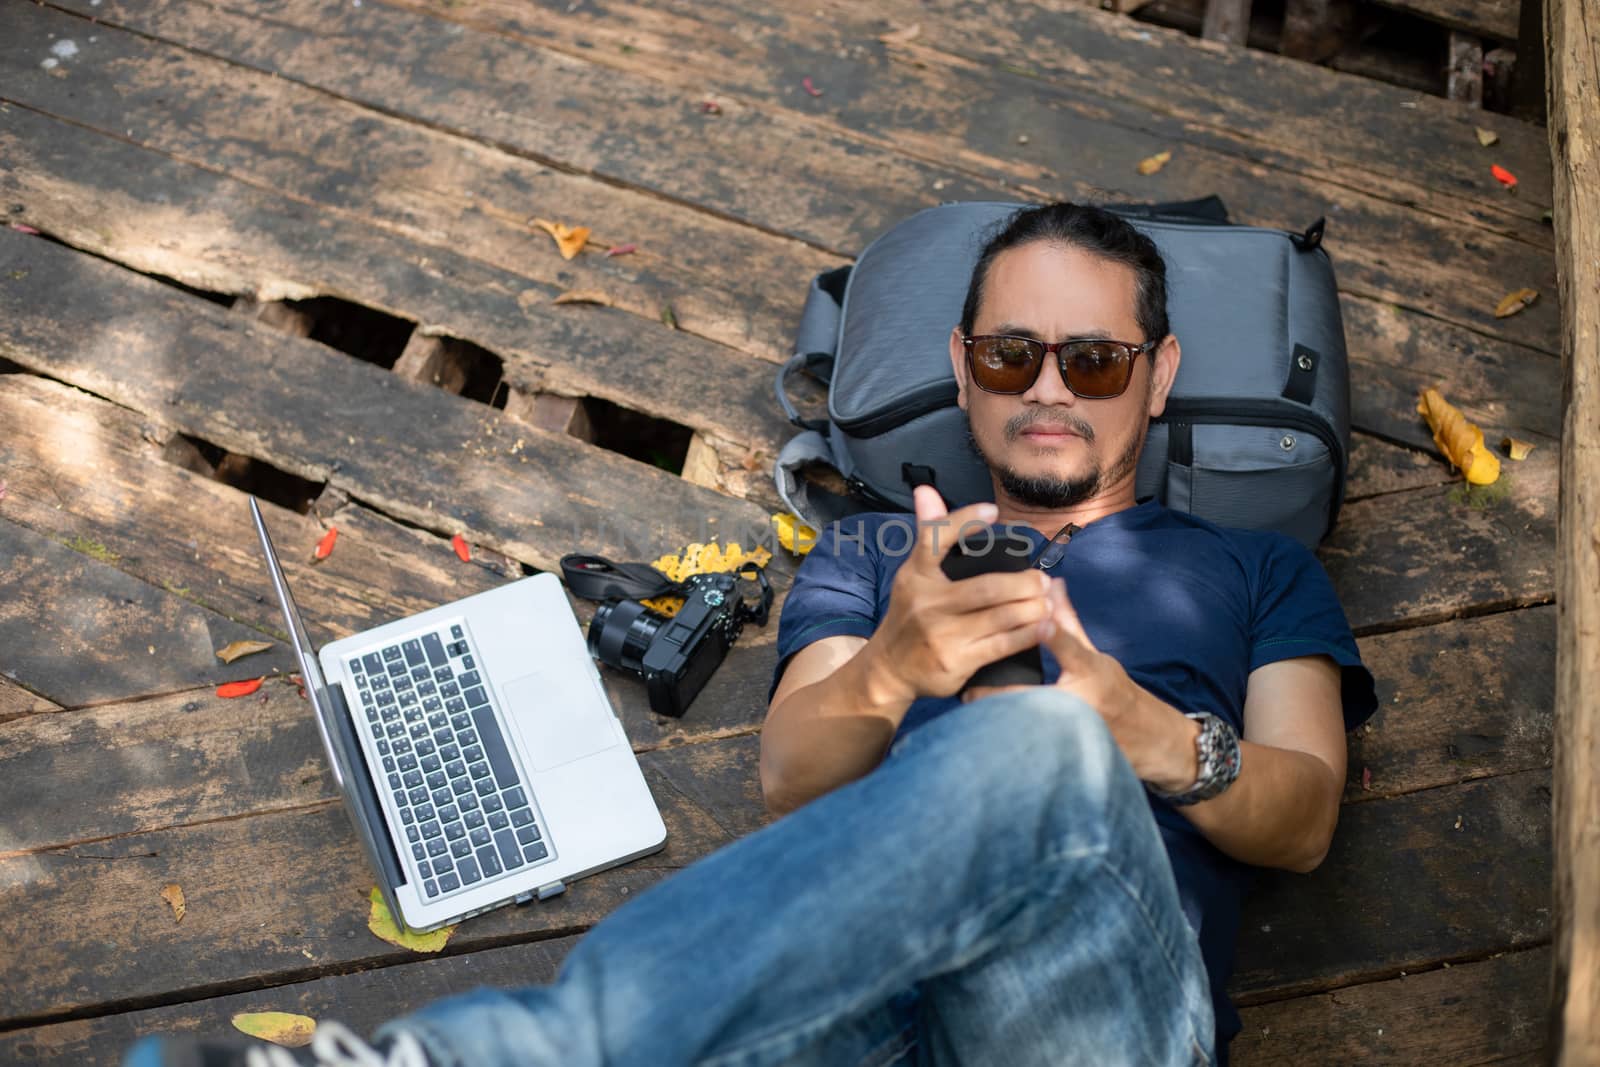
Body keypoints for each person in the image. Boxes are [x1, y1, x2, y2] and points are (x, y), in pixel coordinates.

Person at [129, 202, 1376, 1067]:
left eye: (1094, 361)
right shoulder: (875, 546)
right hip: (856, 1007)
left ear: (1156, 376)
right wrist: (893, 664)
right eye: (1012, 352)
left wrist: (1136, 730)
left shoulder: (1253, 568)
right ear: (962, 367)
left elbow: (1306, 819)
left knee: (1042, 748)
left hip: (1093, 1019)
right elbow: (789, 778)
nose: (1048, 386)